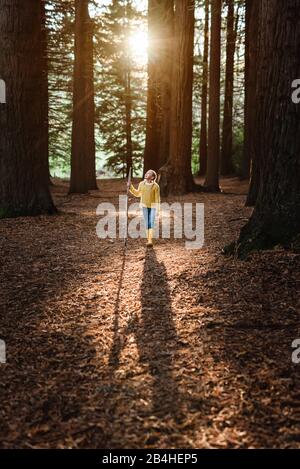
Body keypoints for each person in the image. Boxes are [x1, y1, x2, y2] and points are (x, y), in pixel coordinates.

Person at [128, 170, 160, 247]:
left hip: (153, 207)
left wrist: (157, 209)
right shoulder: (142, 184)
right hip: (144, 206)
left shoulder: (155, 186)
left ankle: (150, 239)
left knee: (151, 222)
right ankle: (149, 239)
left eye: (149, 173)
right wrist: (130, 187)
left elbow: (157, 199)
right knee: (146, 223)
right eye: (146, 172)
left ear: (152, 177)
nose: (146, 174)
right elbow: (137, 193)